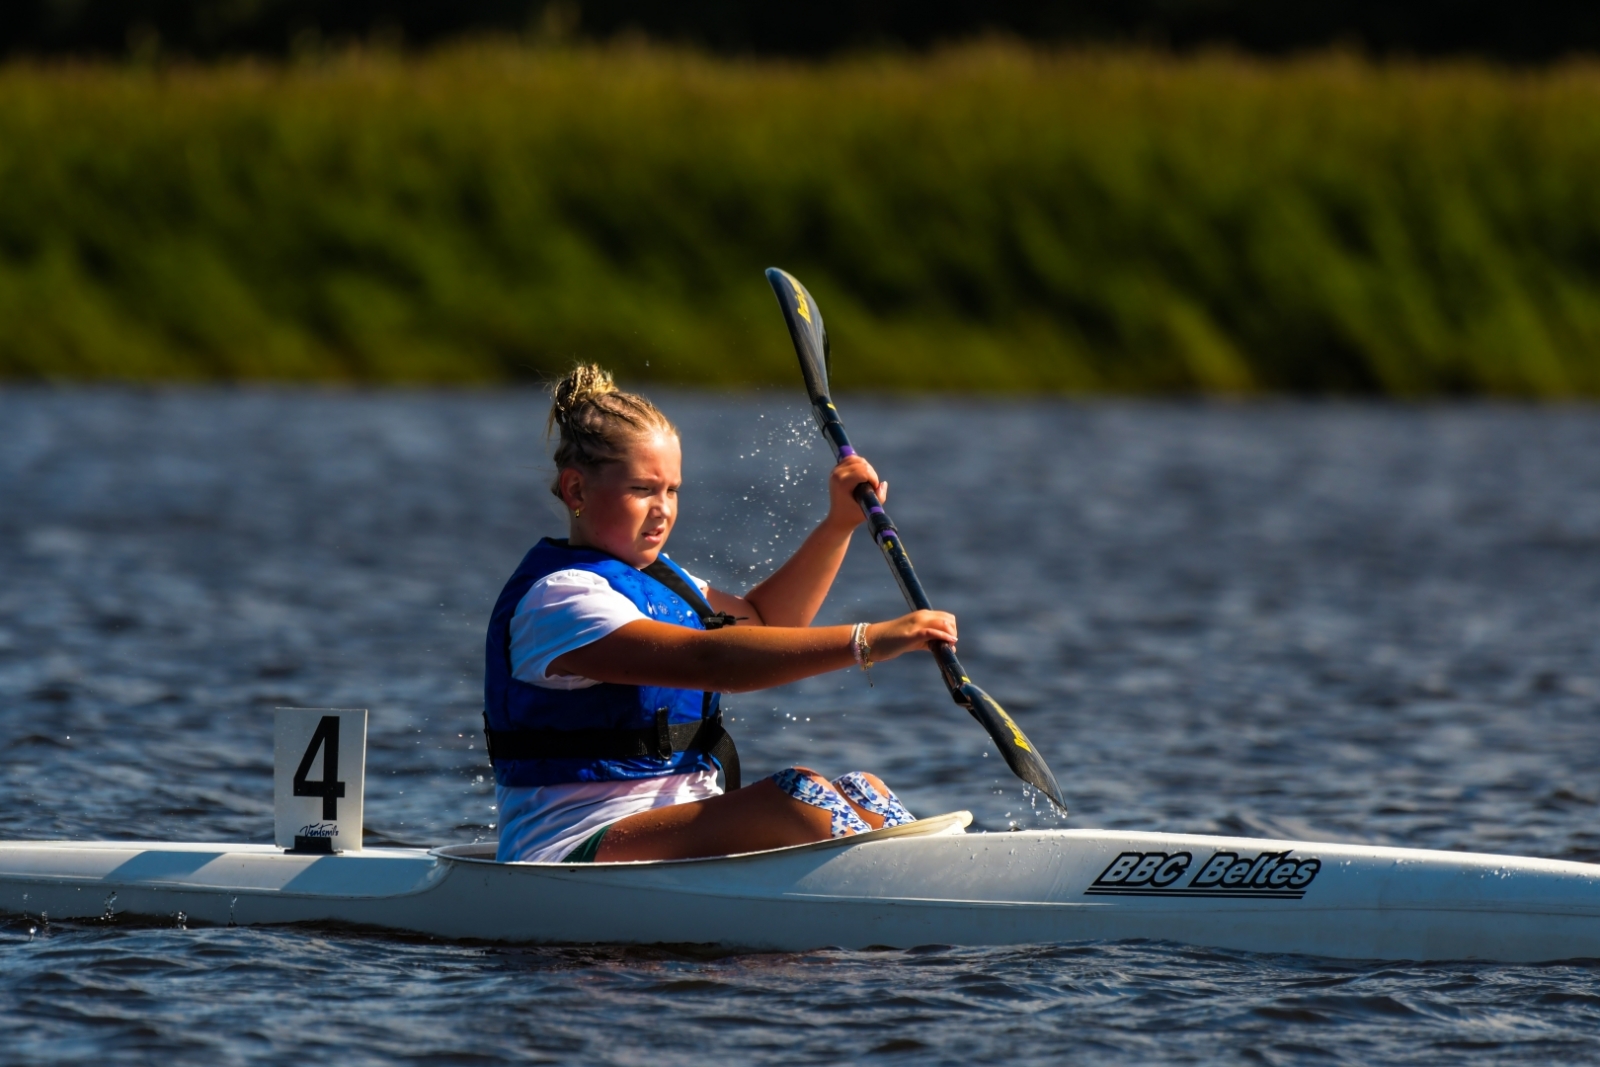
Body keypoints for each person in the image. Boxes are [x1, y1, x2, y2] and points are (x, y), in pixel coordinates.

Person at [485, 364, 958, 864]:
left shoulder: (666, 581)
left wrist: (838, 525)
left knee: (866, 793)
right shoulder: (559, 599)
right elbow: (712, 662)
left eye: (672, 490)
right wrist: (866, 640)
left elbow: (766, 622)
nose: (663, 508)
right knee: (800, 797)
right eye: (642, 490)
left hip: (674, 833)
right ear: (577, 491)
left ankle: (916, 889)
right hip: (568, 848)